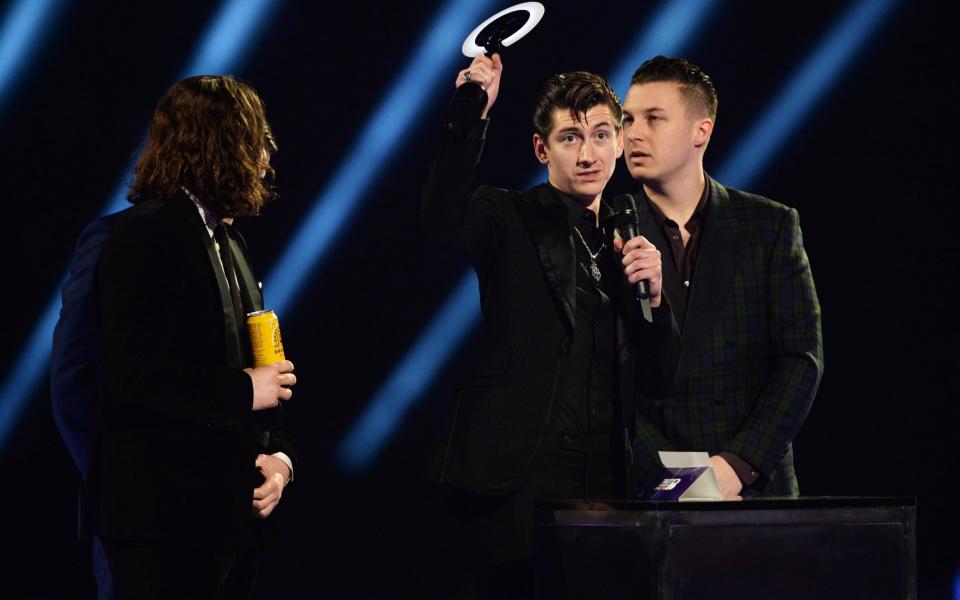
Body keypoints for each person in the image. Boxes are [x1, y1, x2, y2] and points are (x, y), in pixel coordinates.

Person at [420, 55, 680, 597]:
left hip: (607, 484)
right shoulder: (506, 214)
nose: (587, 153)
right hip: (515, 483)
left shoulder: (633, 239)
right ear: (542, 149)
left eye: (601, 134)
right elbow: (439, 222)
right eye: (569, 138)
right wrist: (472, 113)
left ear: (619, 142)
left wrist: (655, 299)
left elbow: (660, 379)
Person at [90, 75, 297, 599]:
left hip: (225, 522)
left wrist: (278, 458)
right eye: (256, 141)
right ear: (219, 144)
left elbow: (260, 367)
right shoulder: (145, 235)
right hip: (159, 523)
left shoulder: (230, 241)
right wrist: (244, 391)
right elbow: (130, 376)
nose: (267, 157)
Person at [620, 55, 823, 499]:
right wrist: (672, 480)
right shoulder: (604, 232)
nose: (633, 133)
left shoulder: (769, 225)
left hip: (755, 490)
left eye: (653, 119)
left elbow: (801, 359)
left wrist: (739, 464)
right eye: (627, 119)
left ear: (701, 131)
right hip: (648, 496)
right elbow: (597, 380)